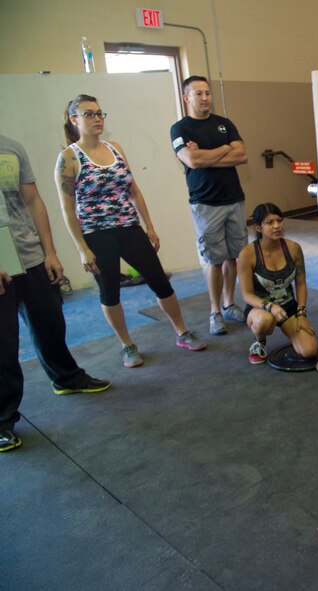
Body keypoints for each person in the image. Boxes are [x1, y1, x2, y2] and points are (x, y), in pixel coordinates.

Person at [55, 95, 206, 369]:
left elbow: (133, 190)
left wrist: (149, 226)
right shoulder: (68, 158)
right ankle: (127, 345)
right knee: (110, 291)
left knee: (160, 282)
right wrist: (82, 248)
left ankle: (182, 332)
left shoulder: (115, 148)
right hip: (96, 234)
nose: (97, 118)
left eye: (100, 113)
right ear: (73, 120)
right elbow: (67, 209)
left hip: (129, 228)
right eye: (89, 114)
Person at [1, 134, 111, 452]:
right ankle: (3, 420)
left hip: (27, 251)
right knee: (4, 343)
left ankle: (66, 377)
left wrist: (49, 251)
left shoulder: (12, 146)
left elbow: (32, 200)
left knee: (49, 319)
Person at [170, 75, 249, 336]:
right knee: (213, 260)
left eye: (207, 93)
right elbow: (192, 160)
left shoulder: (224, 124)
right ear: (186, 98)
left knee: (233, 256)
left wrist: (206, 155)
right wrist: (224, 150)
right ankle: (215, 312)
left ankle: (229, 304)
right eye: (198, 94)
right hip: (206, 204)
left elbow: (242, 154)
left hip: (234, 199)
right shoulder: (180, 129)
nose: (205, 98)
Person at [236, 203, 318, 365]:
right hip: (260, 309)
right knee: (265, 321)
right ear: (258, 228)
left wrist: (301, 314)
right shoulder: (247, 254)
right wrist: (271, 307)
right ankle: (259, 341)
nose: (277, 226)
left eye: (279, 220)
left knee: (309, 351)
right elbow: (247, 295)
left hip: (288, 307)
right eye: (269, 222)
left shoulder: (294, 249)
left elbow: (301, 284)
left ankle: (293, 326)